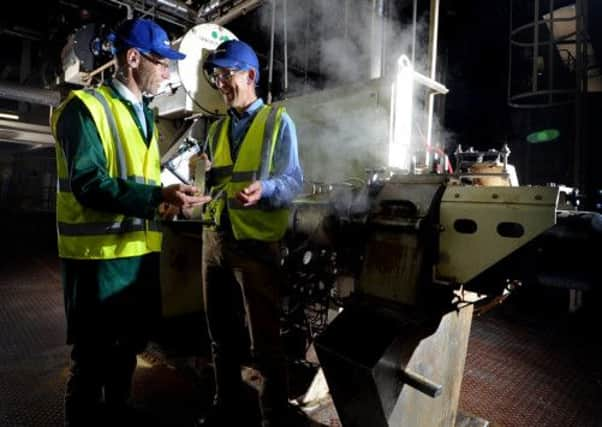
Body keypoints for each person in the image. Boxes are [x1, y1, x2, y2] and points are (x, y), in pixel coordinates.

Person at [50, 18, 210, 427]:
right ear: (133, 58)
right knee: (91, 359)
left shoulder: (144, 117)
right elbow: (90, 185)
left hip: (137, 259)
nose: (166, 72)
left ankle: (118, 413)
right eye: (160, 63)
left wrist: (167, 201)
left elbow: (136, 182)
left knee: (125, 351)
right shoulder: (84, 110)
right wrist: (157, 197)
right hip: (96, 262)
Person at [191, 40, 303, 426]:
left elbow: (293, 182)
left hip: (256, 246)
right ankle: (227, 406)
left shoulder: (277, 122)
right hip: (215, 242)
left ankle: (274, 417)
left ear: (250, 75)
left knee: (266, 346)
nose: (221, 83)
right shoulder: (217, 129)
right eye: (217, 76)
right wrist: (195, 185)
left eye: (227, 74)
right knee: (221, 339)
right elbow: (214, 185)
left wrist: (267, 189)